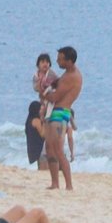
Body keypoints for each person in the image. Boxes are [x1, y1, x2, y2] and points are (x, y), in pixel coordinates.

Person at [42, 46, 81, 190]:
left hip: (59, 112)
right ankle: (55, 183)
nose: (57, 61)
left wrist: (43, 92)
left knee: (58, 149)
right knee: (50, 148)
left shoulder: (70, 77)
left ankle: (69, 185)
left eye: (60, 58)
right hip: (61, 111)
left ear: (69, 61)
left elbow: (55, 97)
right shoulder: (69, 74)